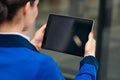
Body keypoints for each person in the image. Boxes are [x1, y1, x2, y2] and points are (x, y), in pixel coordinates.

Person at [0, 0, 98, 80]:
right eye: (37, 5)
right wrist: (89, 60)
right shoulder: (41, 65)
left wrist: (32, 46)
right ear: (26, 8)